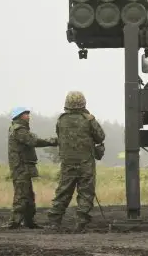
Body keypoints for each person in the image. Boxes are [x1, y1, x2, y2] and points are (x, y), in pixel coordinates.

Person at [45, 91, 106, 232]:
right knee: (86, 193)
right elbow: (100, 137)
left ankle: (54, 222)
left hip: (67, 163)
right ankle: (80, 223)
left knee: (63, 191)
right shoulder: (88, 119)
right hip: (86, 163)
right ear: (83, 103)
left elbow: (60, 136)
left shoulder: (61, 120)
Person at [6, 106, 57, 229]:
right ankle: (14, 222)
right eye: (26, 114)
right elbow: (33, 141)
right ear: (19, 116)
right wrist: (52, 141)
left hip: (23, 167)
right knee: (22, 195)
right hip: (21, 167)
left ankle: (29, 222)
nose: (28, 116)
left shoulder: (20, 128)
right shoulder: (19, 130)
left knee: (28, 196)